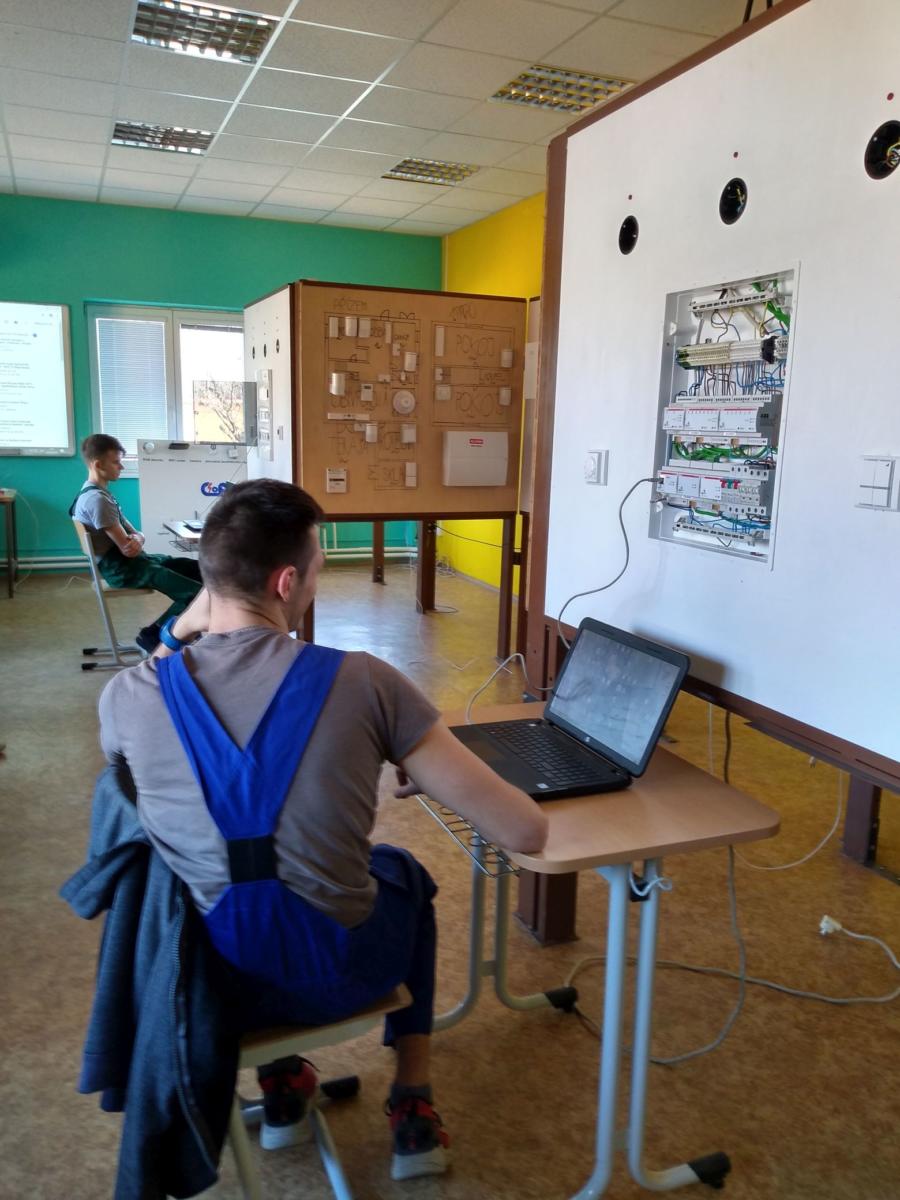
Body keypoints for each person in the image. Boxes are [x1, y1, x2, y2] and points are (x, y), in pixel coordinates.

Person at [97, 478, 548, 1182]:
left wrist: (179, 630)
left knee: (249, 883)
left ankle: (282, 1083)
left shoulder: (127, 697)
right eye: (316, 570)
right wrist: (411, 757)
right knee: (403, 874)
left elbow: (125, 766)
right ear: (287, 582)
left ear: (209, 583)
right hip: (340, 976)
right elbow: (524, 832)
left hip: (208, 994)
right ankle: (412, 1103)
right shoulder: (367, 683)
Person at [70, 433, 203, 653]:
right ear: (98, 464)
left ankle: (178, 630)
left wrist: (138, 538)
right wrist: (135, 540)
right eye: (116, 462)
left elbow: (135, 535)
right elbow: (128, 549)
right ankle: (153, 636)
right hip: (122, 570)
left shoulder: (100, 494)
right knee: (196, 595)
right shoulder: (97, 500)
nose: (121, 467)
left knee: (197, 569)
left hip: (134, 562)